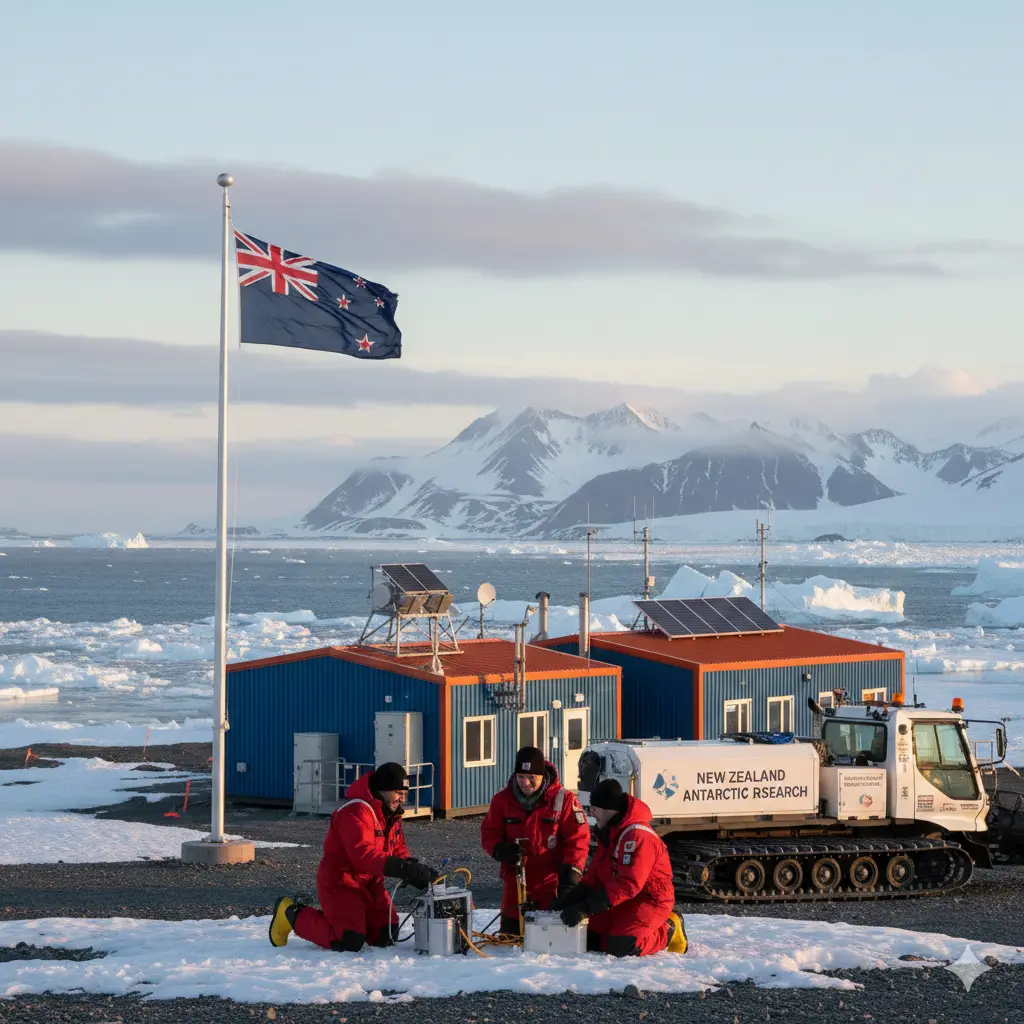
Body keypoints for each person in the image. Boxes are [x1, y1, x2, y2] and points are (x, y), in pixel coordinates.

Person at [268, 761, 438, 951]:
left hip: (370, 885)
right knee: (348, 940)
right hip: (342, 883)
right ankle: (291, 914)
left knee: (385, 934)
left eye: (405, 794)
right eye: (399, 793)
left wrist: (414, 869)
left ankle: (352, 920)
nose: (402, 799)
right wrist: (403, 869)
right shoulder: (355, 811)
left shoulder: (389, 814)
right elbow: (363, 855)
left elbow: (397, 848)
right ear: (383, 789)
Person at [552, 778, 687, 957]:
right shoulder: (610, 832)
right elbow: (595, 875)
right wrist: (570, 899)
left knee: (623, 946)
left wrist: (586, 907)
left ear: (609, 810)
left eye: (594, 809)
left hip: (649, 899)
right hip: (621, 898)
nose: (592, 814)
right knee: (588, 936)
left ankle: (669, 928)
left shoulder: (637, 835)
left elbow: (629, 883)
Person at [480, 745, 590, 935]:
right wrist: (499, 849)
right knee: (510, 939)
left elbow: (578, 839)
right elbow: (489, 832)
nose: (526, 783)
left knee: (548, 940)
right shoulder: (502, 800)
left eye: (532, 777)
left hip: (551, 885)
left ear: (542, 774)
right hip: (515, 883)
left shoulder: (563, 800)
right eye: (521, 777)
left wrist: (571, 875)